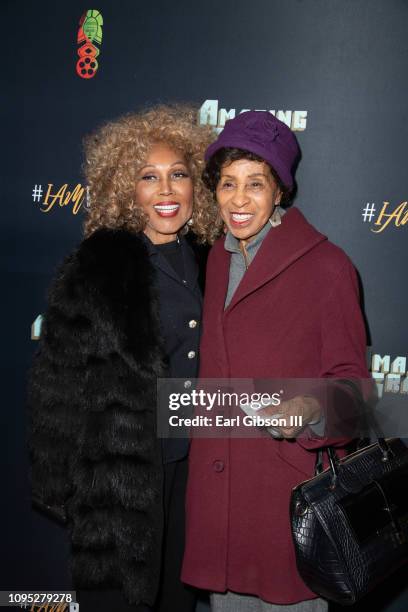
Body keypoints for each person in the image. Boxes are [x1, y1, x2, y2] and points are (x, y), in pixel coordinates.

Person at [28, 105, 217, 612]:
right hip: (120, 477)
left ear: (196, 184)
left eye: (178, 174)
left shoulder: (210, 259)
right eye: (148, 177)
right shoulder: (99, 267)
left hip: (193, 474)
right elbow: (57, 382)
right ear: (124, 188)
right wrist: (57, 482)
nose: (166, 190)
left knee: (177, 599)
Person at [181, 111, 371, 611]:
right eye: (227, 184)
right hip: (219, 508)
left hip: (281, 507)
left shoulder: (328, 267)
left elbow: (356, 394)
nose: (239, 200)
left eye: (255, 184)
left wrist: (308, 406)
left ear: (281, 191)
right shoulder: (214, 258)